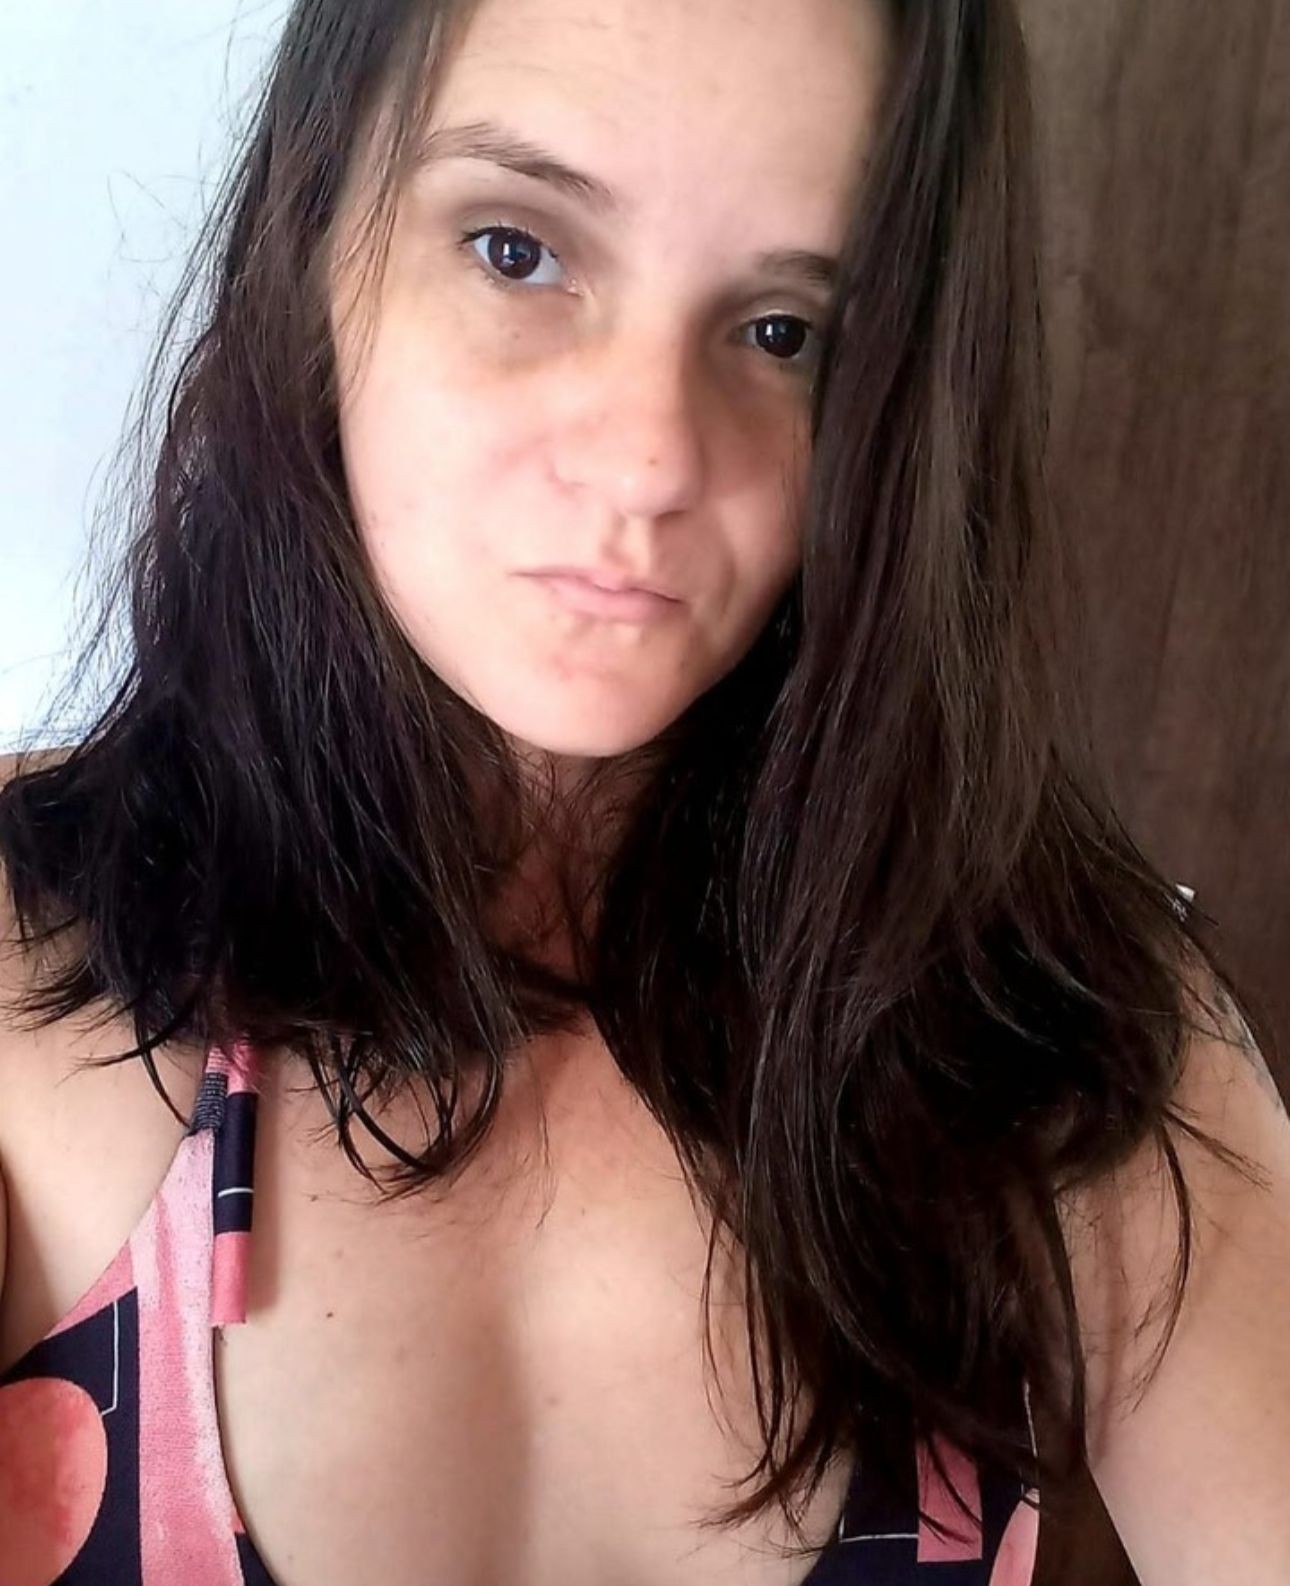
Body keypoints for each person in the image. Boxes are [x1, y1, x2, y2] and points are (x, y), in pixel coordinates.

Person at [3, 0, 1289, 1582]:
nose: (649, 461)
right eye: (517, 252)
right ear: (314, 239)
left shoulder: (1077, 1044)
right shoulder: (19, 962)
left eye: (783, 331)